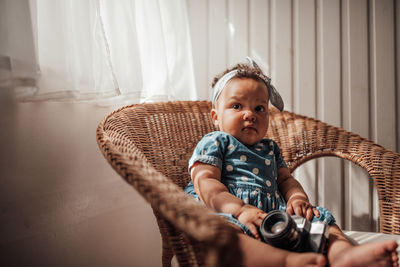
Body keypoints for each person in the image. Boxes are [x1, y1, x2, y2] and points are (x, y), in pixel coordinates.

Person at [184, 57, 399, 267]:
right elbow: (206, 183)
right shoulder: (215, 141)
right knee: (226, 235)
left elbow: (286, 180)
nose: (250, 114)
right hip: (227, 210)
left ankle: (343, 255)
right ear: (215, 116)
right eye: (237, 106)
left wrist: (297, 198)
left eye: (259, 108)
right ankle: (287, 261)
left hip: (272, 213)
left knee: (322, 221)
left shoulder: (270, 148)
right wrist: (239, 210)